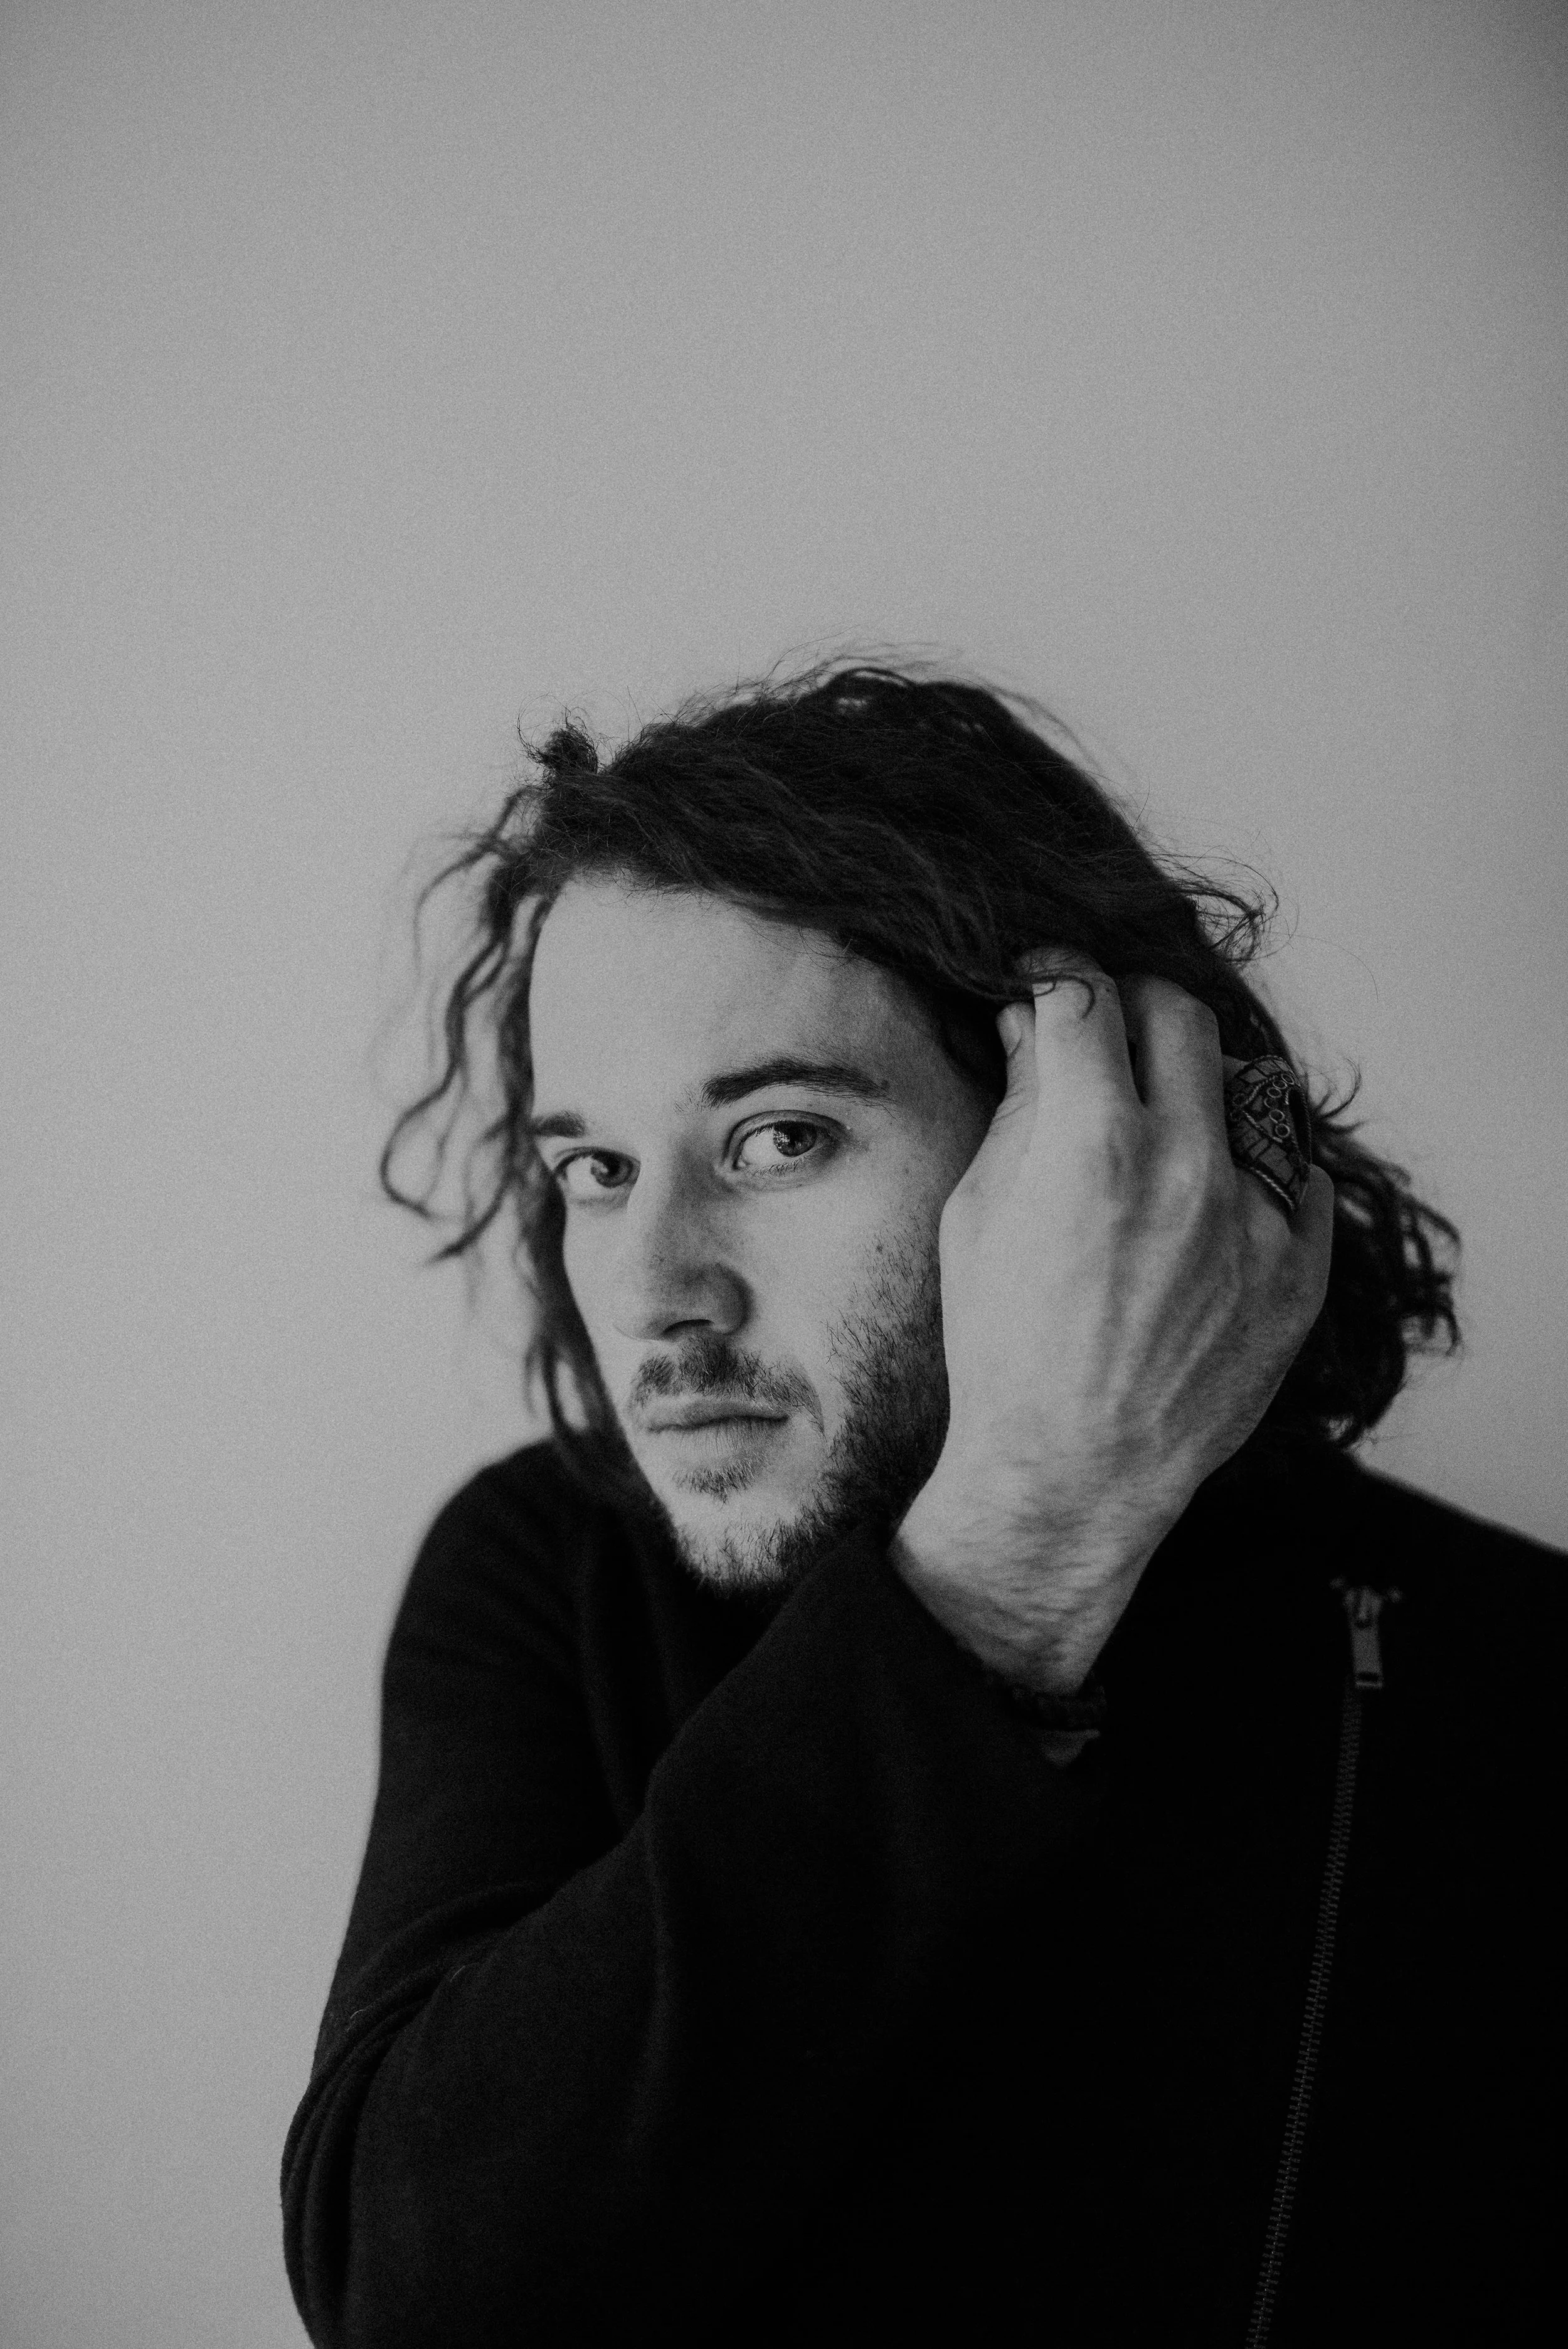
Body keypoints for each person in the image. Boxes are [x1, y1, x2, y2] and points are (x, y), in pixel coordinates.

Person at [281, 659, 1562, 2347]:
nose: (657, 1292)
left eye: (776, 1139)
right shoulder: (553, 1572)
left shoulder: (1518, 1671)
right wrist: (1006, 1562)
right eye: (593, 1168)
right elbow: (416, 2293)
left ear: (1093, 1142)